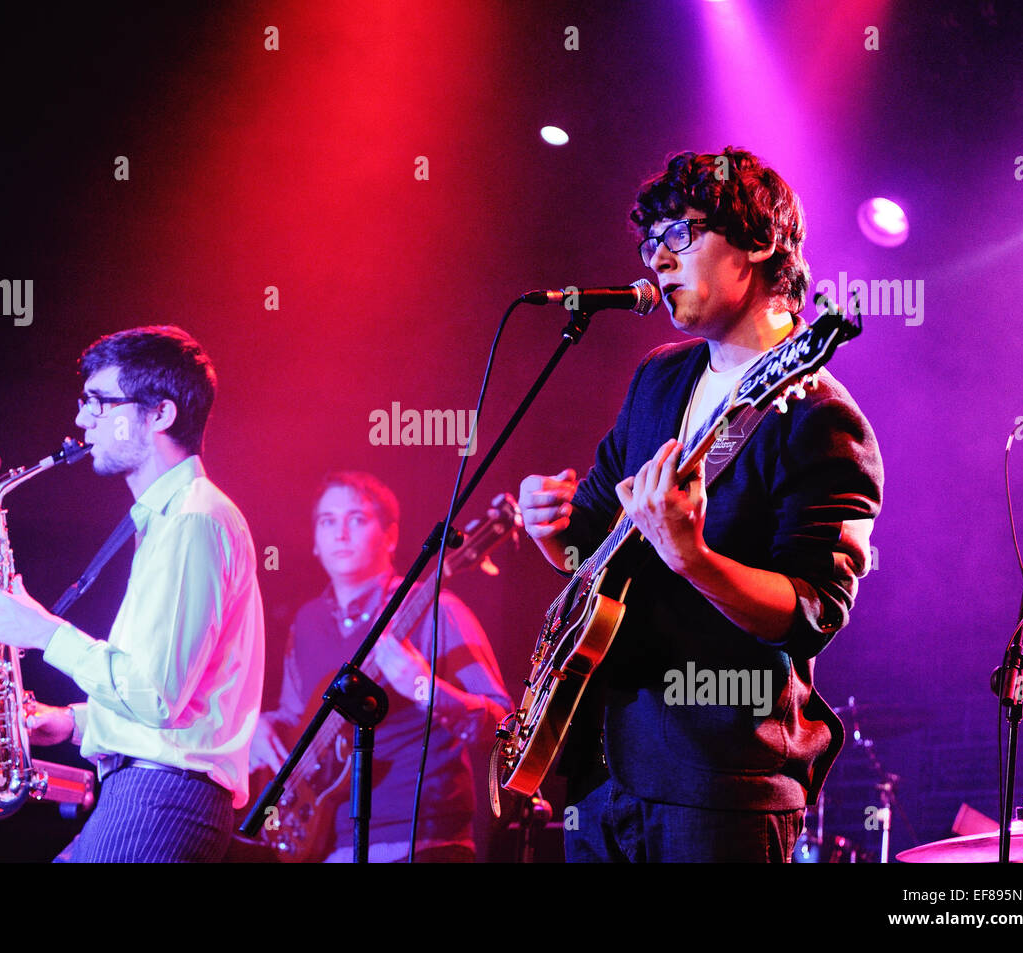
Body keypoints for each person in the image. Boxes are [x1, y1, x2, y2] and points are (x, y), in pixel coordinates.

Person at [517, 148, 884, 862]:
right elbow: (587, 545)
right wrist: (549, 526)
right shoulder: (658, 377)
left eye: (679, 234)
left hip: (720, 783)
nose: (657, 257)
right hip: (600, 771)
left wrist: (695, 559)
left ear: (759, 242)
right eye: (649, 243)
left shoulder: (817, 414)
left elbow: (812, 612)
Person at [0, 325, 265, 862]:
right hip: (149, 793)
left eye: (100, 403)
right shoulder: (173, 519)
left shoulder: (194, 520)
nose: (84, 420)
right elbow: (176, 695)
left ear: (160, 415)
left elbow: (156, 694)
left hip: (162, 797)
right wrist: (75, 721)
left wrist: (44, 632)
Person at [250, 471, 510, 862]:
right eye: (327, 521)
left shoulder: (438, 609)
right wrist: (259, 728)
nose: (340, 533)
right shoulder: (306, 621)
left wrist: (422, 686)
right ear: (316, 543)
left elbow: (508, 729)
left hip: (422, 842)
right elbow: (295, 715)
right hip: (330, 844)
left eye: (356, 519)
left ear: (390, 537)